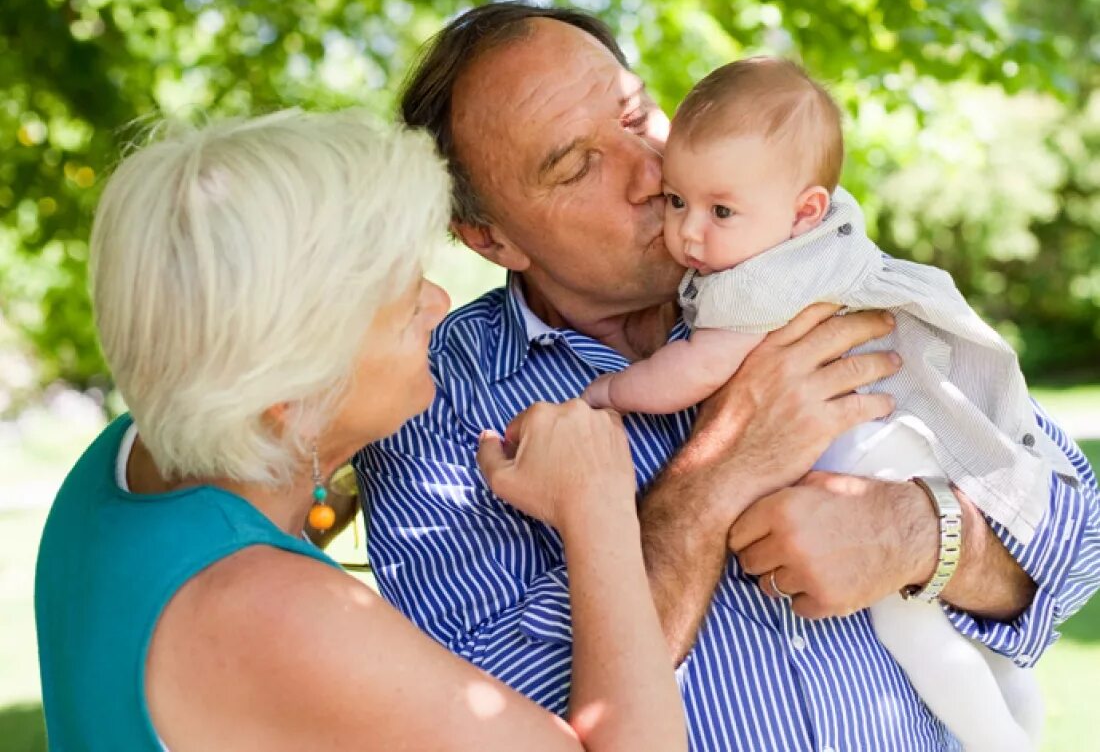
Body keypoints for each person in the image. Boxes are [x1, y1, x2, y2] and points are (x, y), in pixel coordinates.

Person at [357, 2, 1100, 751]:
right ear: (491, 238)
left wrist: (916, 533)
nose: (652, 172)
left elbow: (1079, 539)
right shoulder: (428, 403)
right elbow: (508, 720)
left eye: (636, 115)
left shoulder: (809, 269)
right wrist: (716, 477)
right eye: (579, 165)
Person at [33, 109, 688, 752]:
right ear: (296, 391)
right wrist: (596, 507)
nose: (439, 303)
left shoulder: (125, 458)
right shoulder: (274, 617)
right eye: (404, 305)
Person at [584, 55, 1078, 751]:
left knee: (911, 633)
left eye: (719, 211)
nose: (689, 232)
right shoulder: (812, 240)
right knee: (939, 634)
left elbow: (693, 370)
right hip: (896, 442)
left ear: (805, 209)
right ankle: (1014, 703)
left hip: (872, 461)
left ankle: (1001, 738)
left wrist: (608, 393)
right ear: (489, 238)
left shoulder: (755, 283)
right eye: (678, 202)